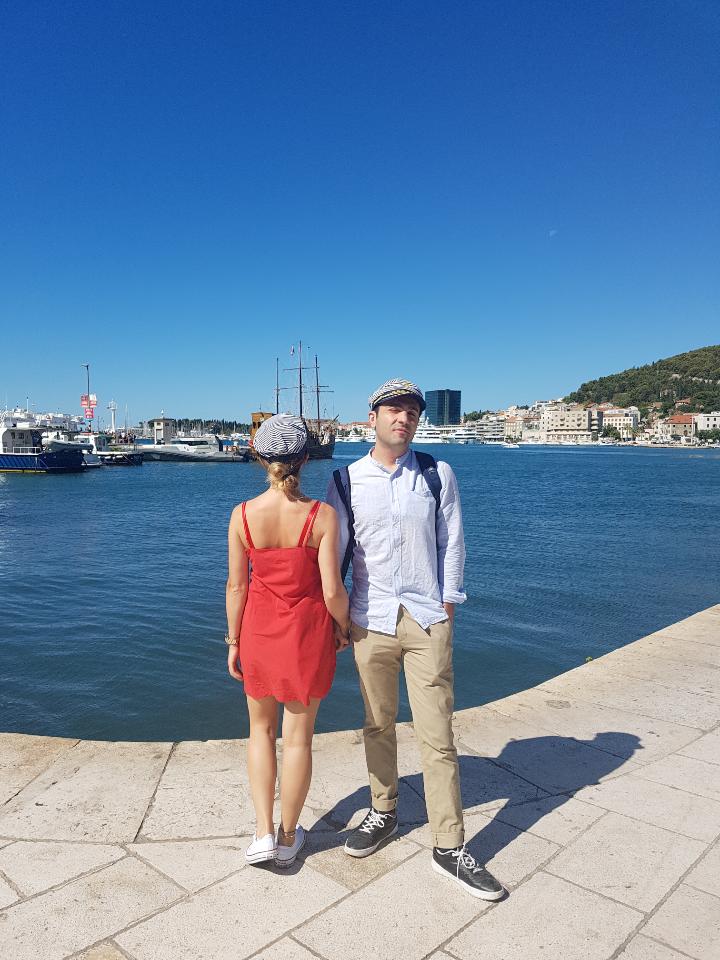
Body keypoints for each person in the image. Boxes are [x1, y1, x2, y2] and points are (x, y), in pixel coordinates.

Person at [327, 378, 505, 900]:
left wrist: (447, 603)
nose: (402, 418)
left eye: (411, 411)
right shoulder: (345, 480)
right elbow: (334, 554)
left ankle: (449, 845)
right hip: (369, 619)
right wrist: (337, 618)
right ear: (372, 418)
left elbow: (452, 540)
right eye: (393, 410)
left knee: (437, 734)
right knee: (377, 724)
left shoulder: (436, 473)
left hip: (427, 619)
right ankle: (383, 811)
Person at [226, 414, 350, 868]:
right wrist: (343, 627)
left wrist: (233, 641)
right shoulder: (321, 516)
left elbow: (236, 587)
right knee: (298, 740)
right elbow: (333, 591)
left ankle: (261, 832)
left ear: (259, 458)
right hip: (306, 635)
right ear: (305, 458)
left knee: (259, 732)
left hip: (258, 632)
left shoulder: (242, 515)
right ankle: (288, 836)